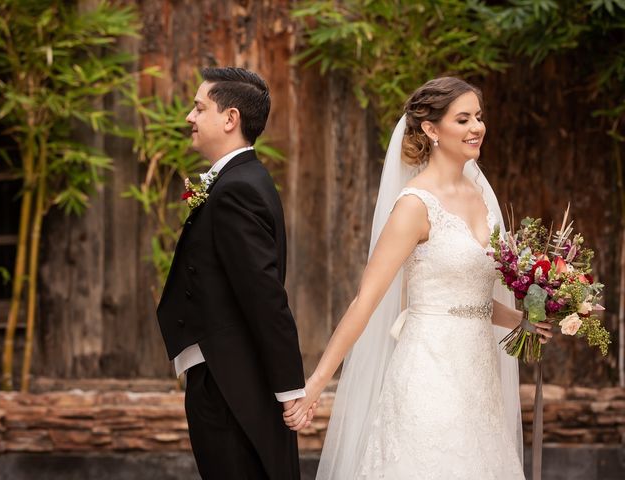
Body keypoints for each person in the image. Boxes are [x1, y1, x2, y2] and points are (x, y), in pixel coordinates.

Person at [283, 77, 553, 479]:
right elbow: (366, 301)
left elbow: (470, 296)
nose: (476, 127)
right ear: (431, 129)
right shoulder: (415, 204)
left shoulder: (481, 196)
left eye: (478, 117)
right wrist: (317, 383)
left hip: (479, 379)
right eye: (462, 119)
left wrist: (524, 319)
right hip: (429, 372)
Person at [156, 67, 311, 480]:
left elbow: (264, 295)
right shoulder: (240, 180)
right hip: (226, 376)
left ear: (230, 119)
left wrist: (292, 389)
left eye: (199, 107)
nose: (189, 117)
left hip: (230, 386)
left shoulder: (236, 189)